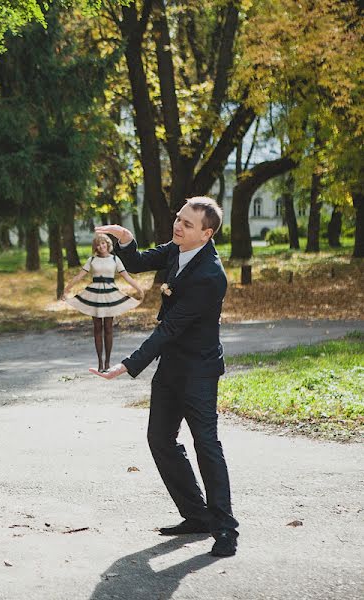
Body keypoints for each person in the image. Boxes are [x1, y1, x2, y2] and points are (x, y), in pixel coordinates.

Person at [92, 196, 239, 558]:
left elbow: (169, 329)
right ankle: (196, 515)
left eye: (187, 224)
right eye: (178, 218)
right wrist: (126, 240)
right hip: (172, 366)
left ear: (206, 234)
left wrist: (128, 364)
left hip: (199, 371)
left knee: (207, 445)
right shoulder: (177, 249)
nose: (178, 225)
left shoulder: (209, 275)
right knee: (160, 439)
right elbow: (140, 261)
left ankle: (225, 528)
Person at [60, 234, 145, 372]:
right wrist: (66, 289)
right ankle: (100, 362)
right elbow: (79, 276)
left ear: (107, 244)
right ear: (96, 247)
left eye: (103, 243)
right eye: (98, 245)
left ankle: (107, 363)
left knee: (109, 328)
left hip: (110, 294)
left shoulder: (115, 259)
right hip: (95, 294)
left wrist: (139, 289)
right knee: (97, 328)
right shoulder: (92, 260)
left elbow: (126, 277)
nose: (101, 246)